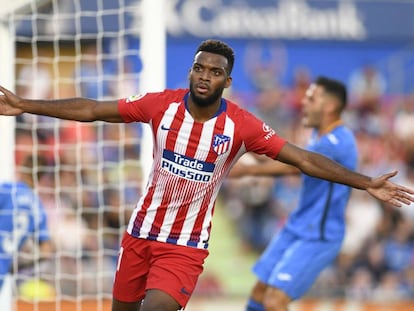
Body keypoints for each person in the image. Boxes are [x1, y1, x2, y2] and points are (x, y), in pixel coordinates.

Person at [0, 40, 413, 311]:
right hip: (139, 235)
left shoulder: (242, 125)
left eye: (214, 72)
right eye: (199, 68)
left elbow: (302, 159)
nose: (204, 76)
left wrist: (366, 182)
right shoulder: (159, 105)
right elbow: (92, 109)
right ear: (191, 72)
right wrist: (25, 105)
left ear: (227, 81)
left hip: (184, 247)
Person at [227, 76, 398, 311]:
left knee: (275, 302)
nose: (303, 102)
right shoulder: (320, 135)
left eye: (311, 98)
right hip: (296, 226)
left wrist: (250, 169)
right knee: (259, 292)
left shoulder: (339, 141)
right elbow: (295, 159)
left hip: (318, 234)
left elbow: (297, 164)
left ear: (329, 106)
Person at [0, 155, 53, 309]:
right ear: (40, 177)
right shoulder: (38, 208)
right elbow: (46, 251)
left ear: (22, 168)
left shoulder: (8, 190)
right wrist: (17, 266)